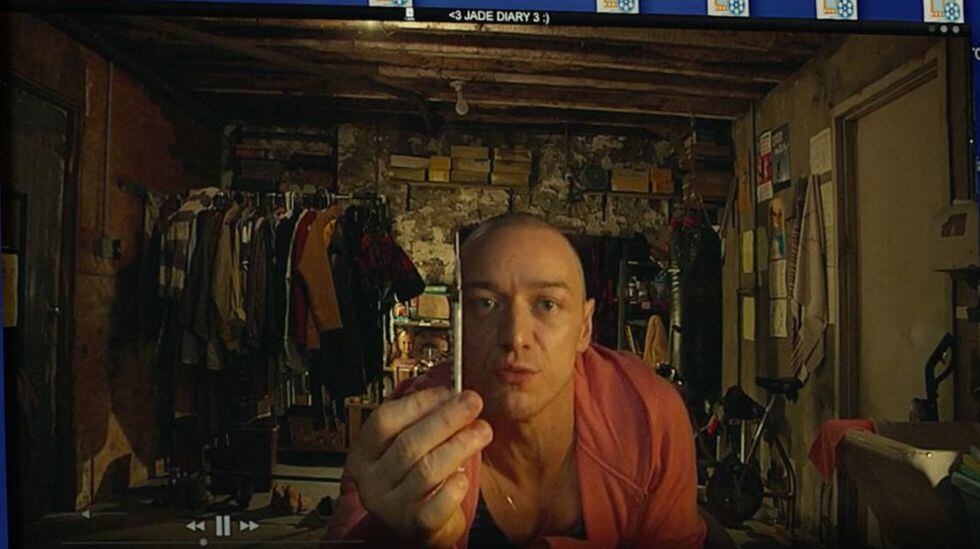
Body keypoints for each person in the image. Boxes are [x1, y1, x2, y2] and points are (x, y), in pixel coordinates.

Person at [325, 213, 706, 548]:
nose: (515, 336)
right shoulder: (409, 428)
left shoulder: (650, 415)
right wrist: (389, 535)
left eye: (547, 304)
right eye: (486, 303)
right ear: (457, 324)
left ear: (584, 327)